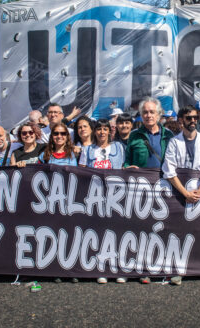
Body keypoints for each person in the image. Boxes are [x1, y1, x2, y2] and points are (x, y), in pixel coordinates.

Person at [162, 106, 200, 286]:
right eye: (188, 118)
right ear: (181, 120)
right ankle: (179, 270)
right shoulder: (174, 142)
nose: (193, 121)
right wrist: (185, 193)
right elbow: (169, 170)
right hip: (180, 193)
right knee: (179, 232)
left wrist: (199, 190)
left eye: (195, 117)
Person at [79, 119, 125, 284]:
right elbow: (81, 172)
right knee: (98, 232)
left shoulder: (119, 147)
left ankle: (118, 268)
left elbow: (124, 167)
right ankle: (101, 268)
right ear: (94, 131)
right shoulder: (87, 150)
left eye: (105, 129)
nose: (102, 132)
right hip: (95, 196)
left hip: (116, 195)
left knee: (117, 232)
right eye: (99, 129)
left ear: (110, 131)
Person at [124, 97, 174, 170]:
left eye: (152, 112)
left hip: (163, 179)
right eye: (145, 112)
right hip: (140, 179)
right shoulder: (134, 135)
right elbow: (127, 159)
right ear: (141, 115)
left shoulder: (168, 134)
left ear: (158, 114)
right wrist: (127, 167)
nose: (149, 115)